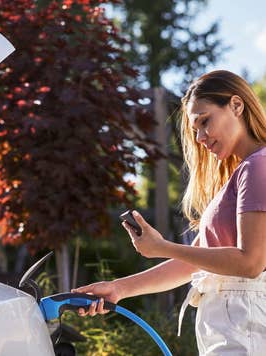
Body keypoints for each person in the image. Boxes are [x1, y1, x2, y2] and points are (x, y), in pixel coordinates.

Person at [72, 70, 266, 355]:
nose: (199, 137)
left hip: (243, 325)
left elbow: (251, 263)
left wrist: (163, 247)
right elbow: (191, 264)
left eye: (204, 121)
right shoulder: (241, 174)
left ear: (237, 106)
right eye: (194, 129)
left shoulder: (257, 166)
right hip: (232, 326)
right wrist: (119, 289)